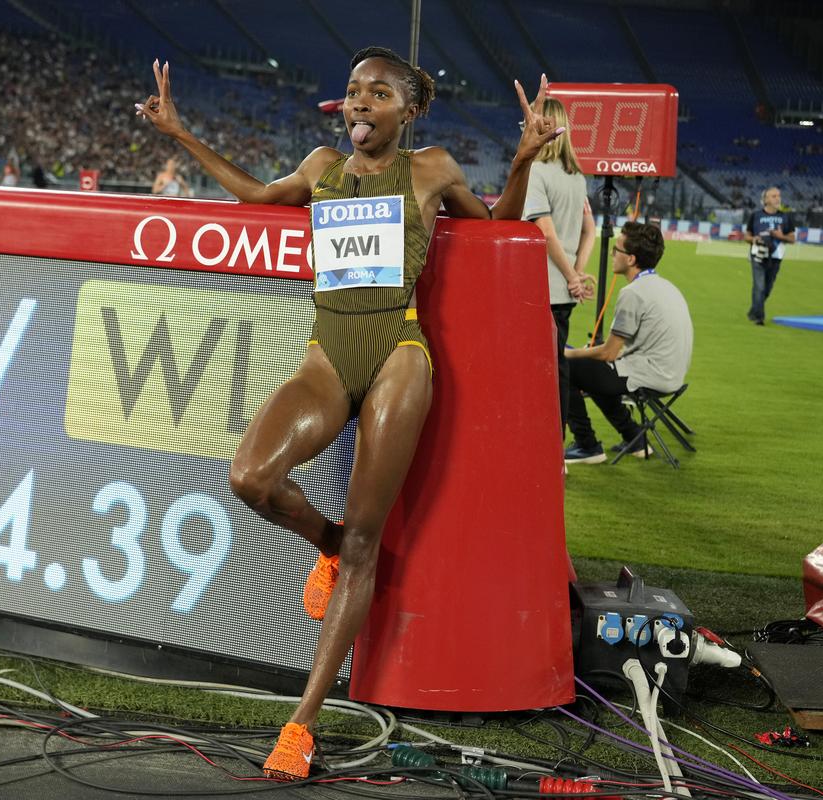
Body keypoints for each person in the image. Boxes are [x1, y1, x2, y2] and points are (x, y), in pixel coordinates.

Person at [136, 49, 561, 780]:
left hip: (398, 349)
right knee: (250, 479)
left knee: (371, 540)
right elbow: (257, 195)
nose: (360, 103)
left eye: (378, 93)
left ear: (408, 108)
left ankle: (300, 724)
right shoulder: (321, 164)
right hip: (325, 352)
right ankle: (329, 543)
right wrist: (180, 134)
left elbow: (496, 221)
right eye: (353, 91)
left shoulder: (432, 168)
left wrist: (521, 159)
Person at [563, 222, 693, 464]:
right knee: (597, 373)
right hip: (671, 375)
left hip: (651, 375)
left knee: (568, 368)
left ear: (631, 259)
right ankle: (635, 438)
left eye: (616, 250)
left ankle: (587, 444)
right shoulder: (666, 286)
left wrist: (570, 354)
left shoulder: (633, 293)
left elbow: (609, 354)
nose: (612, 255)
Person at [522, 97, 595, 439]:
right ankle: (557, 440)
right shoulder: (576, 176)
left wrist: (570, 276)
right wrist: (577, 276)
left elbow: (545, 230)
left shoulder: (537, 171)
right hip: (563, 290)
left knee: (541, 368)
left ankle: (548, 440)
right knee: (558, 366)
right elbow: (589, 230)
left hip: (543, 286)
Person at [743, 186, 795, 326]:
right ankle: (759, 318)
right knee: (759, 286)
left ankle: (753, 311)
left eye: (778, 195)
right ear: (765, 199)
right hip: (758, 255)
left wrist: (780, 236)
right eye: (773, 196)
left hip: (776, 256)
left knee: (767, 289)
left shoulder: (785, 217)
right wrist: (753, 239)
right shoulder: (756, 215)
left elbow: (792, 239)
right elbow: (746, 236)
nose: (778, 198)